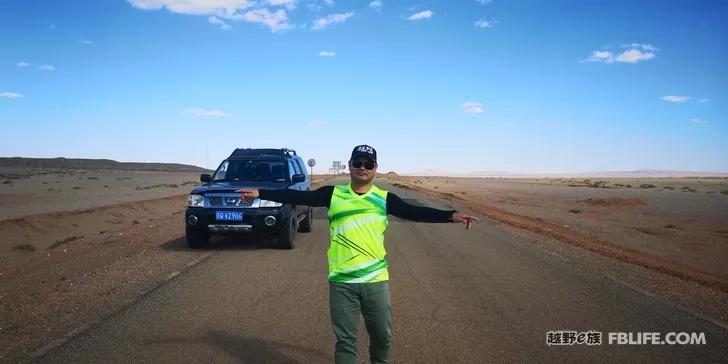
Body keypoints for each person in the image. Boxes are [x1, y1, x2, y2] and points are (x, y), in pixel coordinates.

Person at [236, 145, 479, 364]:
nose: (363, 167)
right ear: (350, 165)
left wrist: (450, 215)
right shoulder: (333, 195)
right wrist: (261, 192)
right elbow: (298, 196)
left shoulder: (384, 199)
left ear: (375, 169)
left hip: (376, 282)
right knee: (345, 342)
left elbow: (415, 212)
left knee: (382, 337)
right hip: (342, 282)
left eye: (368, 164)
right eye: (358, 162)